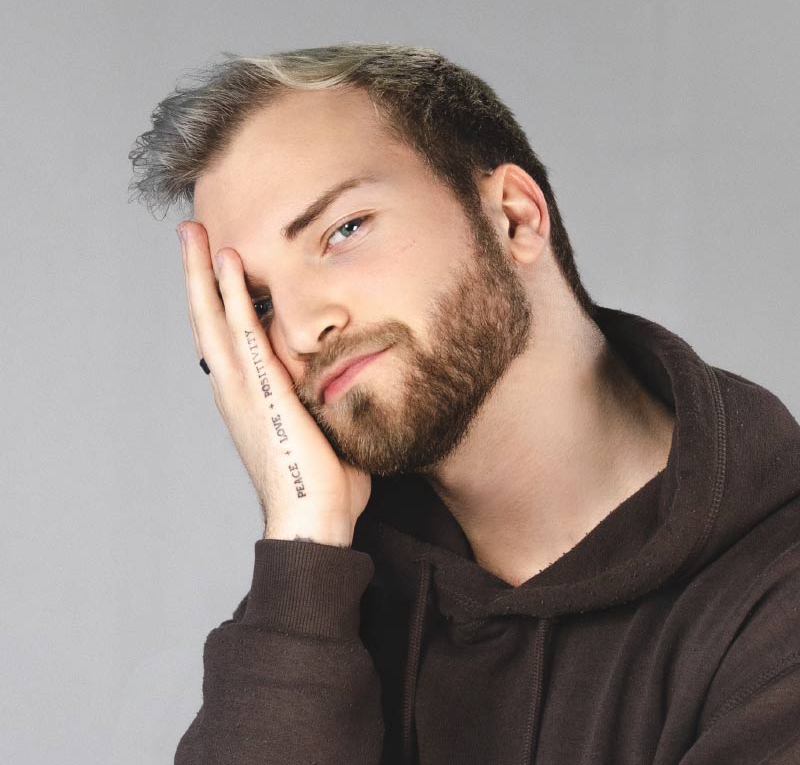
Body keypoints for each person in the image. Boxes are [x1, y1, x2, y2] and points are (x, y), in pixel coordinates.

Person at [128, 43, 800, 764]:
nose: (298, 332)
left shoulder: (775, 594)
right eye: (257, 305)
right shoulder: (326, 596)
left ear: (513, 217)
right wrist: (303, 540)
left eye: (343, 231)